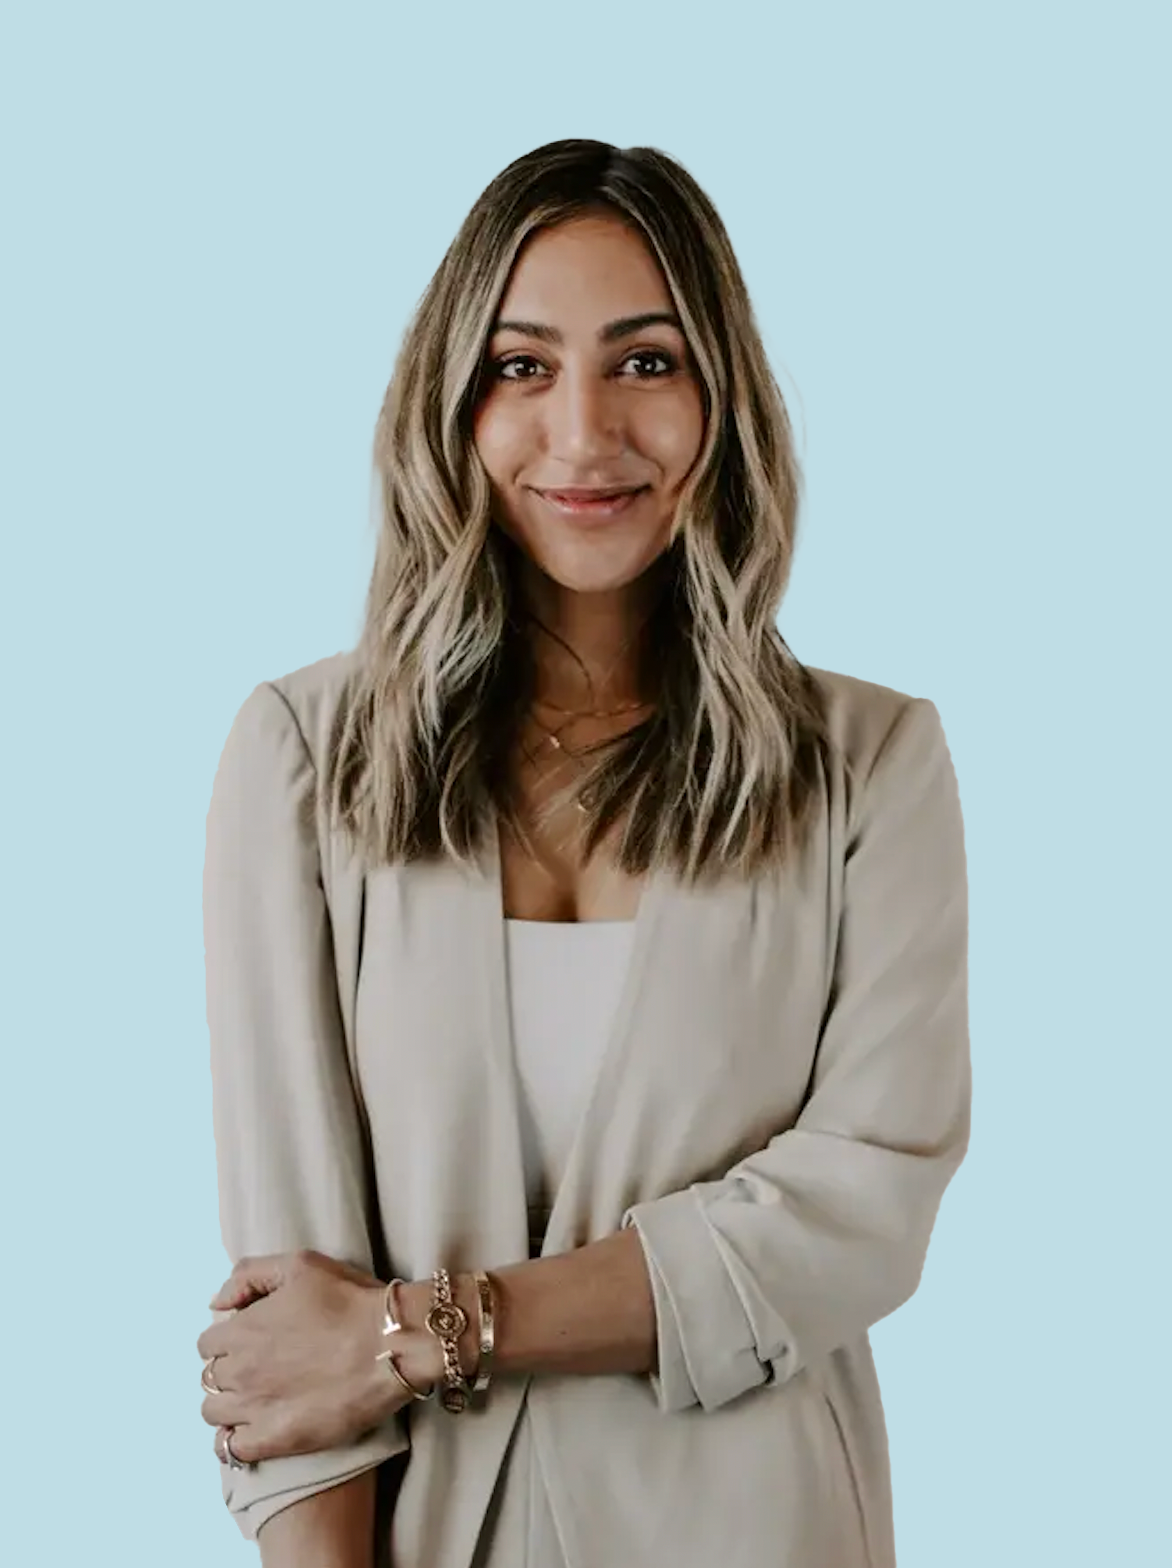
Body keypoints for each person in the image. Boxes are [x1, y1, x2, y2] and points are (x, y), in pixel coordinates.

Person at [195, 137, 971, 1568]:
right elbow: (290, 1315)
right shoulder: (306, 757)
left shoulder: (870, 764)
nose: (584, 433)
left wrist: (428, 1331)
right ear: (454, 403)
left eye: (646, 361)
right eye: (522, 366)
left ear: (723, 398)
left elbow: (861, 1211)